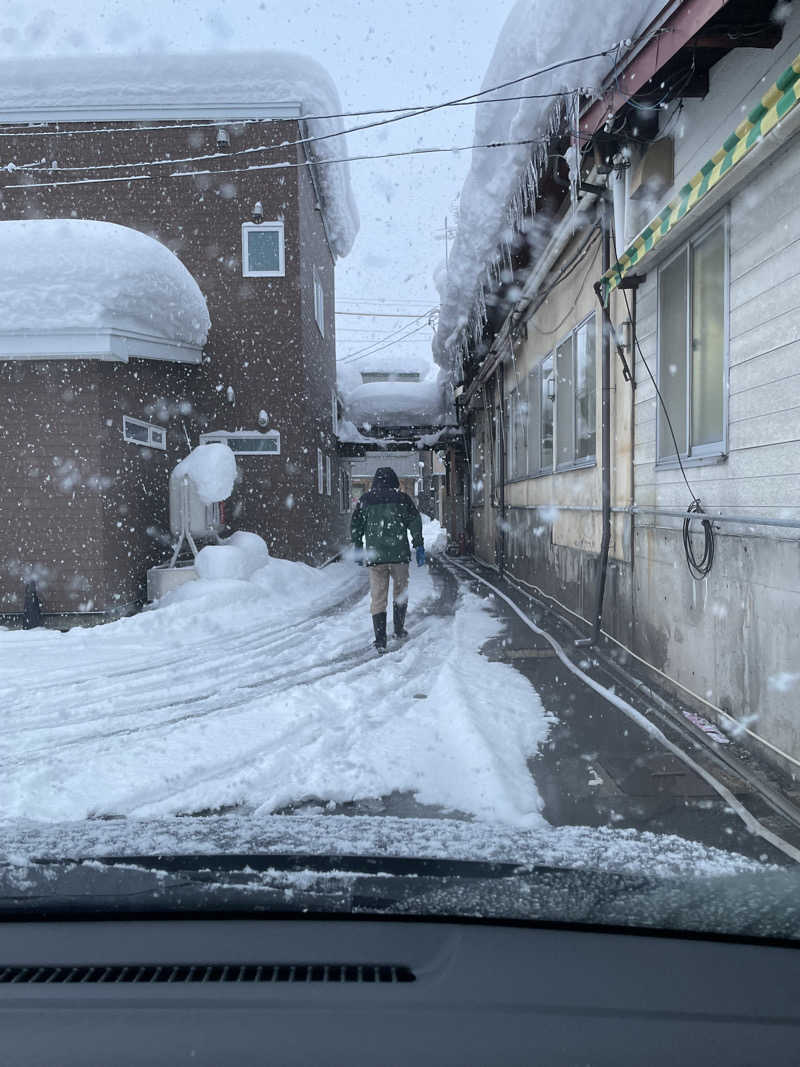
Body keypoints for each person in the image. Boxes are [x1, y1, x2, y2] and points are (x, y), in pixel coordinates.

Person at [350, 466, 425, 652]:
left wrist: (358, 546)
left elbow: (356, 525)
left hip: (376, 557)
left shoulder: (365, 500)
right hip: (399, 556)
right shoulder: (402, 499)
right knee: (400, 593)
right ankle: (399, 630)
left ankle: (380, 640)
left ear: (375, 481)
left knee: (378, 597)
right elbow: (415, 522)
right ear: (394, 481)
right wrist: (418, 545)